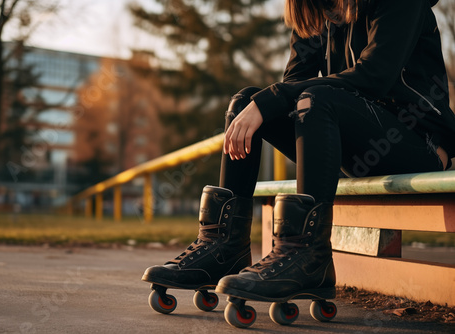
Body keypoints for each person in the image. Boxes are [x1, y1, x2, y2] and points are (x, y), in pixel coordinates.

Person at [142, 0, 455, 308]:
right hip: (354, 148)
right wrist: (263, 103)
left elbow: (374, 76)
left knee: (314, 99)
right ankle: (224, 246)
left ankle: (309, 255)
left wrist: (274, 98)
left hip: (417, 143)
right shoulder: (316, 8)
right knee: (245, 101)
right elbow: (293, 86)